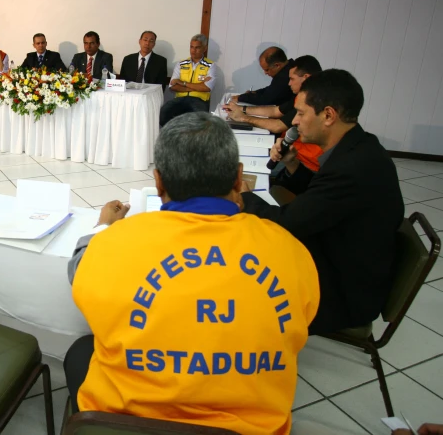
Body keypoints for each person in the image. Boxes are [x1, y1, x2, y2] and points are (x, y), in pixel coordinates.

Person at [65, 112, 320, 435]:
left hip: (125, 425)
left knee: (80, 352)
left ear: (158, 181)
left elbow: (79, 270)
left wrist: (103, 227)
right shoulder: (291, 251)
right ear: (238, 177)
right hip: (250, 429)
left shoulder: (114, 243)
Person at [242, 69, 404, 335]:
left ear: (328, 115)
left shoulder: (353, 167)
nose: (295, 121)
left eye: (302, 113)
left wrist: (243, 196)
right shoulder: (359, 147)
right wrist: (293, 165)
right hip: (342, 258)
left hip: (344, 292)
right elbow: (322, 197)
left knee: (241, 276)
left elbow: (288, 224)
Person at [224, 55, 323, 194]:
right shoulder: (301, 96)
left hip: (303, 162)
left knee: (239, 170)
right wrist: (243, 110)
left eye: (292, 79)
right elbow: (276, 111)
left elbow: (279, 125)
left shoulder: (312, 101)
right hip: (290, 154)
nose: (289, 84)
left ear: (306, 77)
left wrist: (245, 118)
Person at [162, 34, 219, 115]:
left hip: (199, 100)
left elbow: (207, 87)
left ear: (205, 48)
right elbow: (173, 86)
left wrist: (183, 83)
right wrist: (197, 86)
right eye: (191, 47)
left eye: (197, 47)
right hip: (180, 99)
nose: (193, 50)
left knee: (196, 121)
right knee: (163, 115)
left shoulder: (210, 65)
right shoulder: (181, 64)